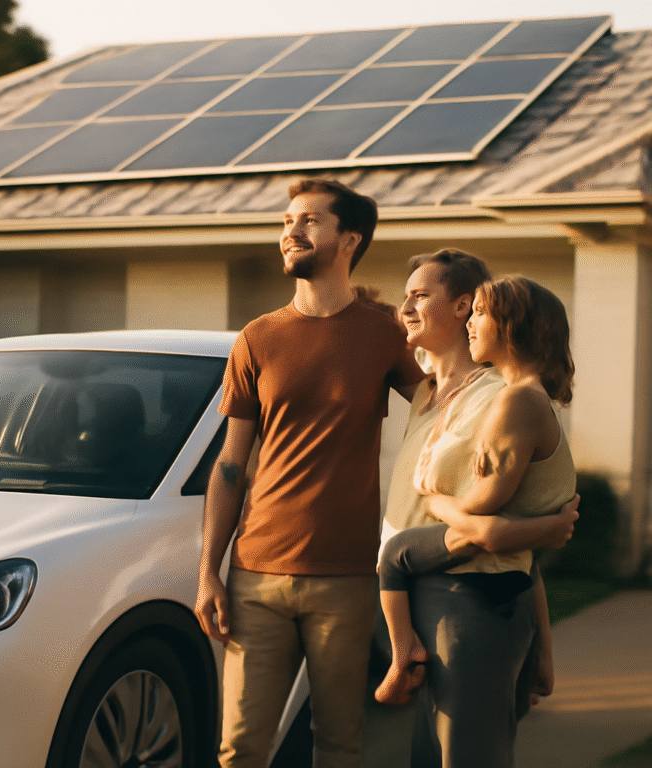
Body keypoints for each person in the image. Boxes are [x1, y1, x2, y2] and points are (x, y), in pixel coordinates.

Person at [193, 177, 426, 768]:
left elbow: (443, 401)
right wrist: (209, 572)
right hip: (256, 576)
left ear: (349, 240)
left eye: (308, 221)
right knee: (239, 748)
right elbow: (228, 464)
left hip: (346, 578)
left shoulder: (384, 333)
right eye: (286, 221)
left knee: (339, 746)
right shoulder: (257, 338)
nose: (290, 231)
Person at [378, 256, 578, 768]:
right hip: (424, 599)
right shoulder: (423, 395)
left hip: (467, 601)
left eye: (420, 296)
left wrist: (543, 647)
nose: (407, 308)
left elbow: (502, 530)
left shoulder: (501, 399)